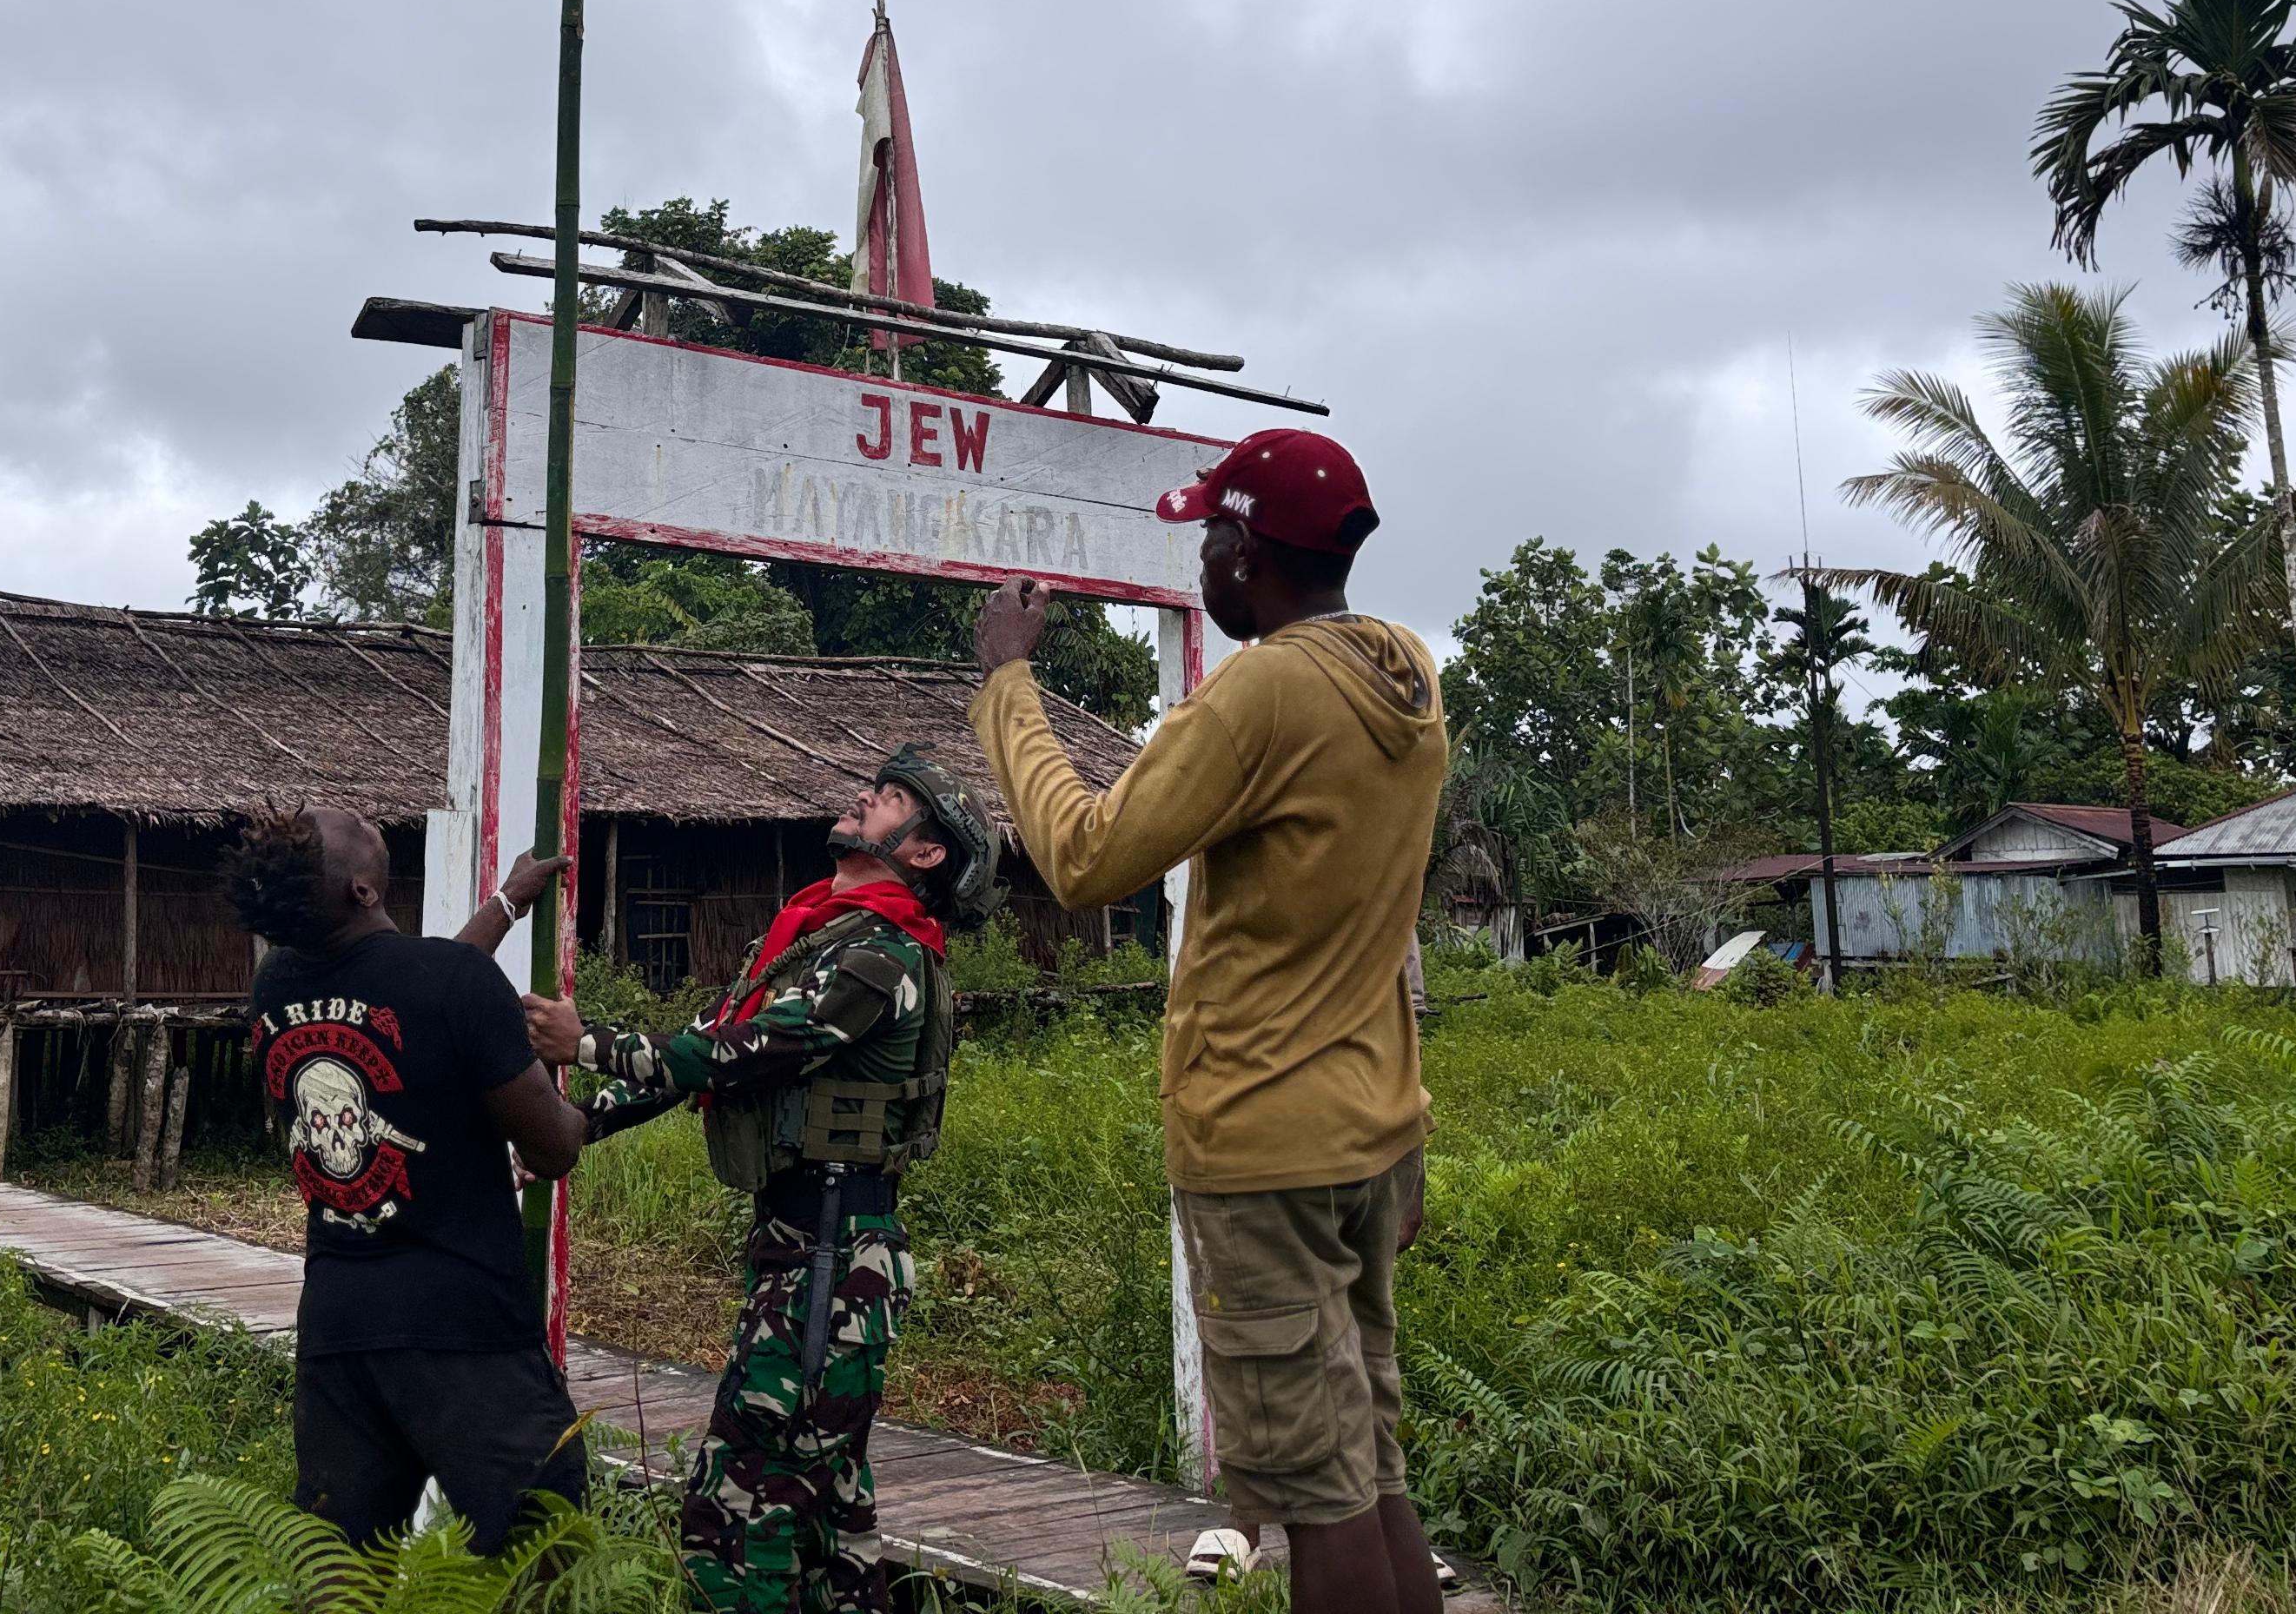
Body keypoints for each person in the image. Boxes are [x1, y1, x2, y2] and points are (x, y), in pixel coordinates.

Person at [969, 428, 1449, 1614]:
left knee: (1311, 1496)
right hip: (1373, 1132)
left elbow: (1083, 857)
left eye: (1208, 539)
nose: (1199, 566)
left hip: (1264, 1147)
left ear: (1244, 550)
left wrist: (1006, 683)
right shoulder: (1405, 672)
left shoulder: (1265, 690)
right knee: (1371, 1466)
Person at [521, 748, 996, 1614]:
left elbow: (742, 1055)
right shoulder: (817, 935)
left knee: (744, 1503)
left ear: (925, 853)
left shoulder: (880, 962)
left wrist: (588, 1044)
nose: (861, 800)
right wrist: (583, 1121)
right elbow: (707, 1044)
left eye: (887, 801)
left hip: (832, 1260)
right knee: (824, 1507)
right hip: (801, 1249)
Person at [231, 806, 587, 1551]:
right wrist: (586, 1075)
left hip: (338, 1325)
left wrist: (506, 903)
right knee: (546, 1551)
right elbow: (552, 1149)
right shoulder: (450, 983)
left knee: (341, 1571)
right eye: (355, 825)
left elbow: (414, 988)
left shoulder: (273, 990)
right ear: (365, 890)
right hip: (464, 1330)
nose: (363, 819)